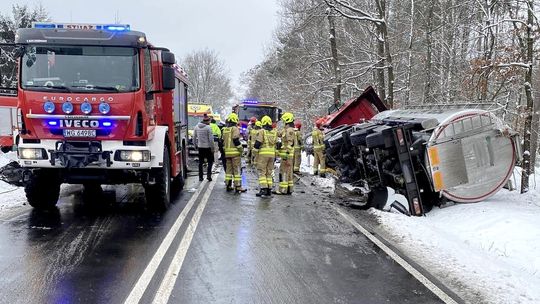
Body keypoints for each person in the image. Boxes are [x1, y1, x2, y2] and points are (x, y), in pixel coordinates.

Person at [222, 113, 247, 193]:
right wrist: (241, 150)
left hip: (227, 153)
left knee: (229, 170)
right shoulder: (235, 129)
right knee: (237, 170)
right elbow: (236, 140)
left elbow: (223, 141)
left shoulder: (225, 129)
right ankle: (238, 186)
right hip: (235, 153)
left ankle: (228, 185)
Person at [254, 116, 277, 197]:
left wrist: (254, 155)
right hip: (272, 154)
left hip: (263, 154)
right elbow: (277, 144)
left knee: (262, 171)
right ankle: (269, 190)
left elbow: (257, 144)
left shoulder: (261, 131)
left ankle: (263, 189)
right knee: (269, 172)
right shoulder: (274, 132)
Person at [276, 112, 296, 195]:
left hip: (287, 155)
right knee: (289, 172)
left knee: (283, 171)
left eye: (284, 121)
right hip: (286, 154)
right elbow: (280, 134)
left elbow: (290, 143)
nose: (283, 122)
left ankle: (283, 189)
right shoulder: (286, 130)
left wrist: (286, 154)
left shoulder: (289, 131)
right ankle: (289, 189)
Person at [192, 114, 215, 181]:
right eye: (209, 121)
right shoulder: (208, 128)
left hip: (200, 147)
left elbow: (194, 137)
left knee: (200, 162)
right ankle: (208, 176)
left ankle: (200, 177)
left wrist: (195, 145)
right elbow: (211, 139)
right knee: (210, 161)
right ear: (207, 121)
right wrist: (212, 148)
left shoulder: (196, 127)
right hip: (207, 147)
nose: (210, 122)